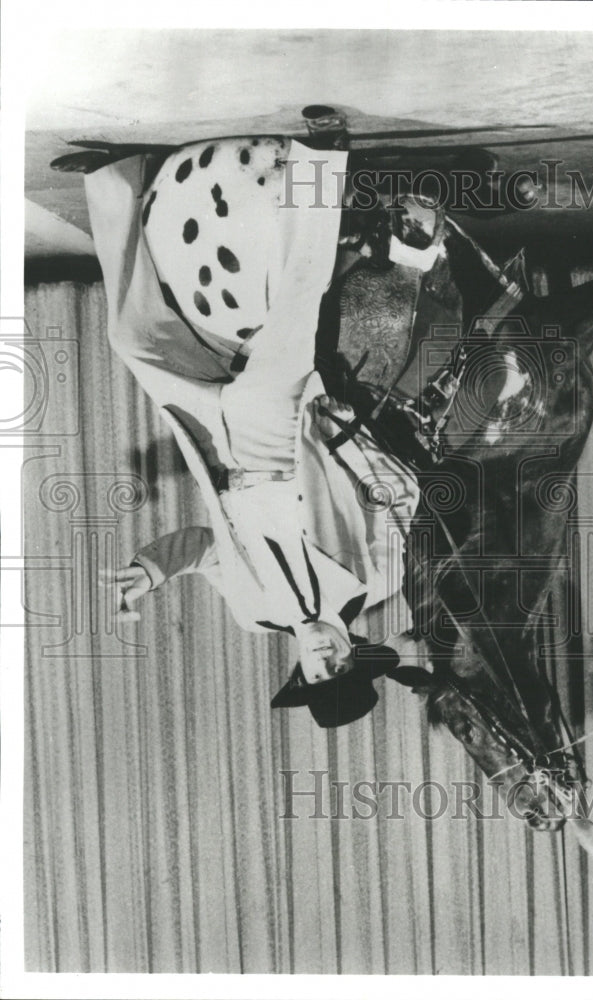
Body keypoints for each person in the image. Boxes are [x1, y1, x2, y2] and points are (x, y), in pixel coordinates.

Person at [82, 131, 431, 723]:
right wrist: (345, 432)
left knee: (132, 341)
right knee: (296, 302)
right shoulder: (374, 582)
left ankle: (111, 177)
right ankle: (323, 158)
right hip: (285, 434)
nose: (327, 660)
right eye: (341, 666)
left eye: (319, 672)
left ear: (302, 668)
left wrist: (150, 572)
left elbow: (204, 549)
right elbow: (401, 495)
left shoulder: (255, 612)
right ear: (352, 652)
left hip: (221, 451)